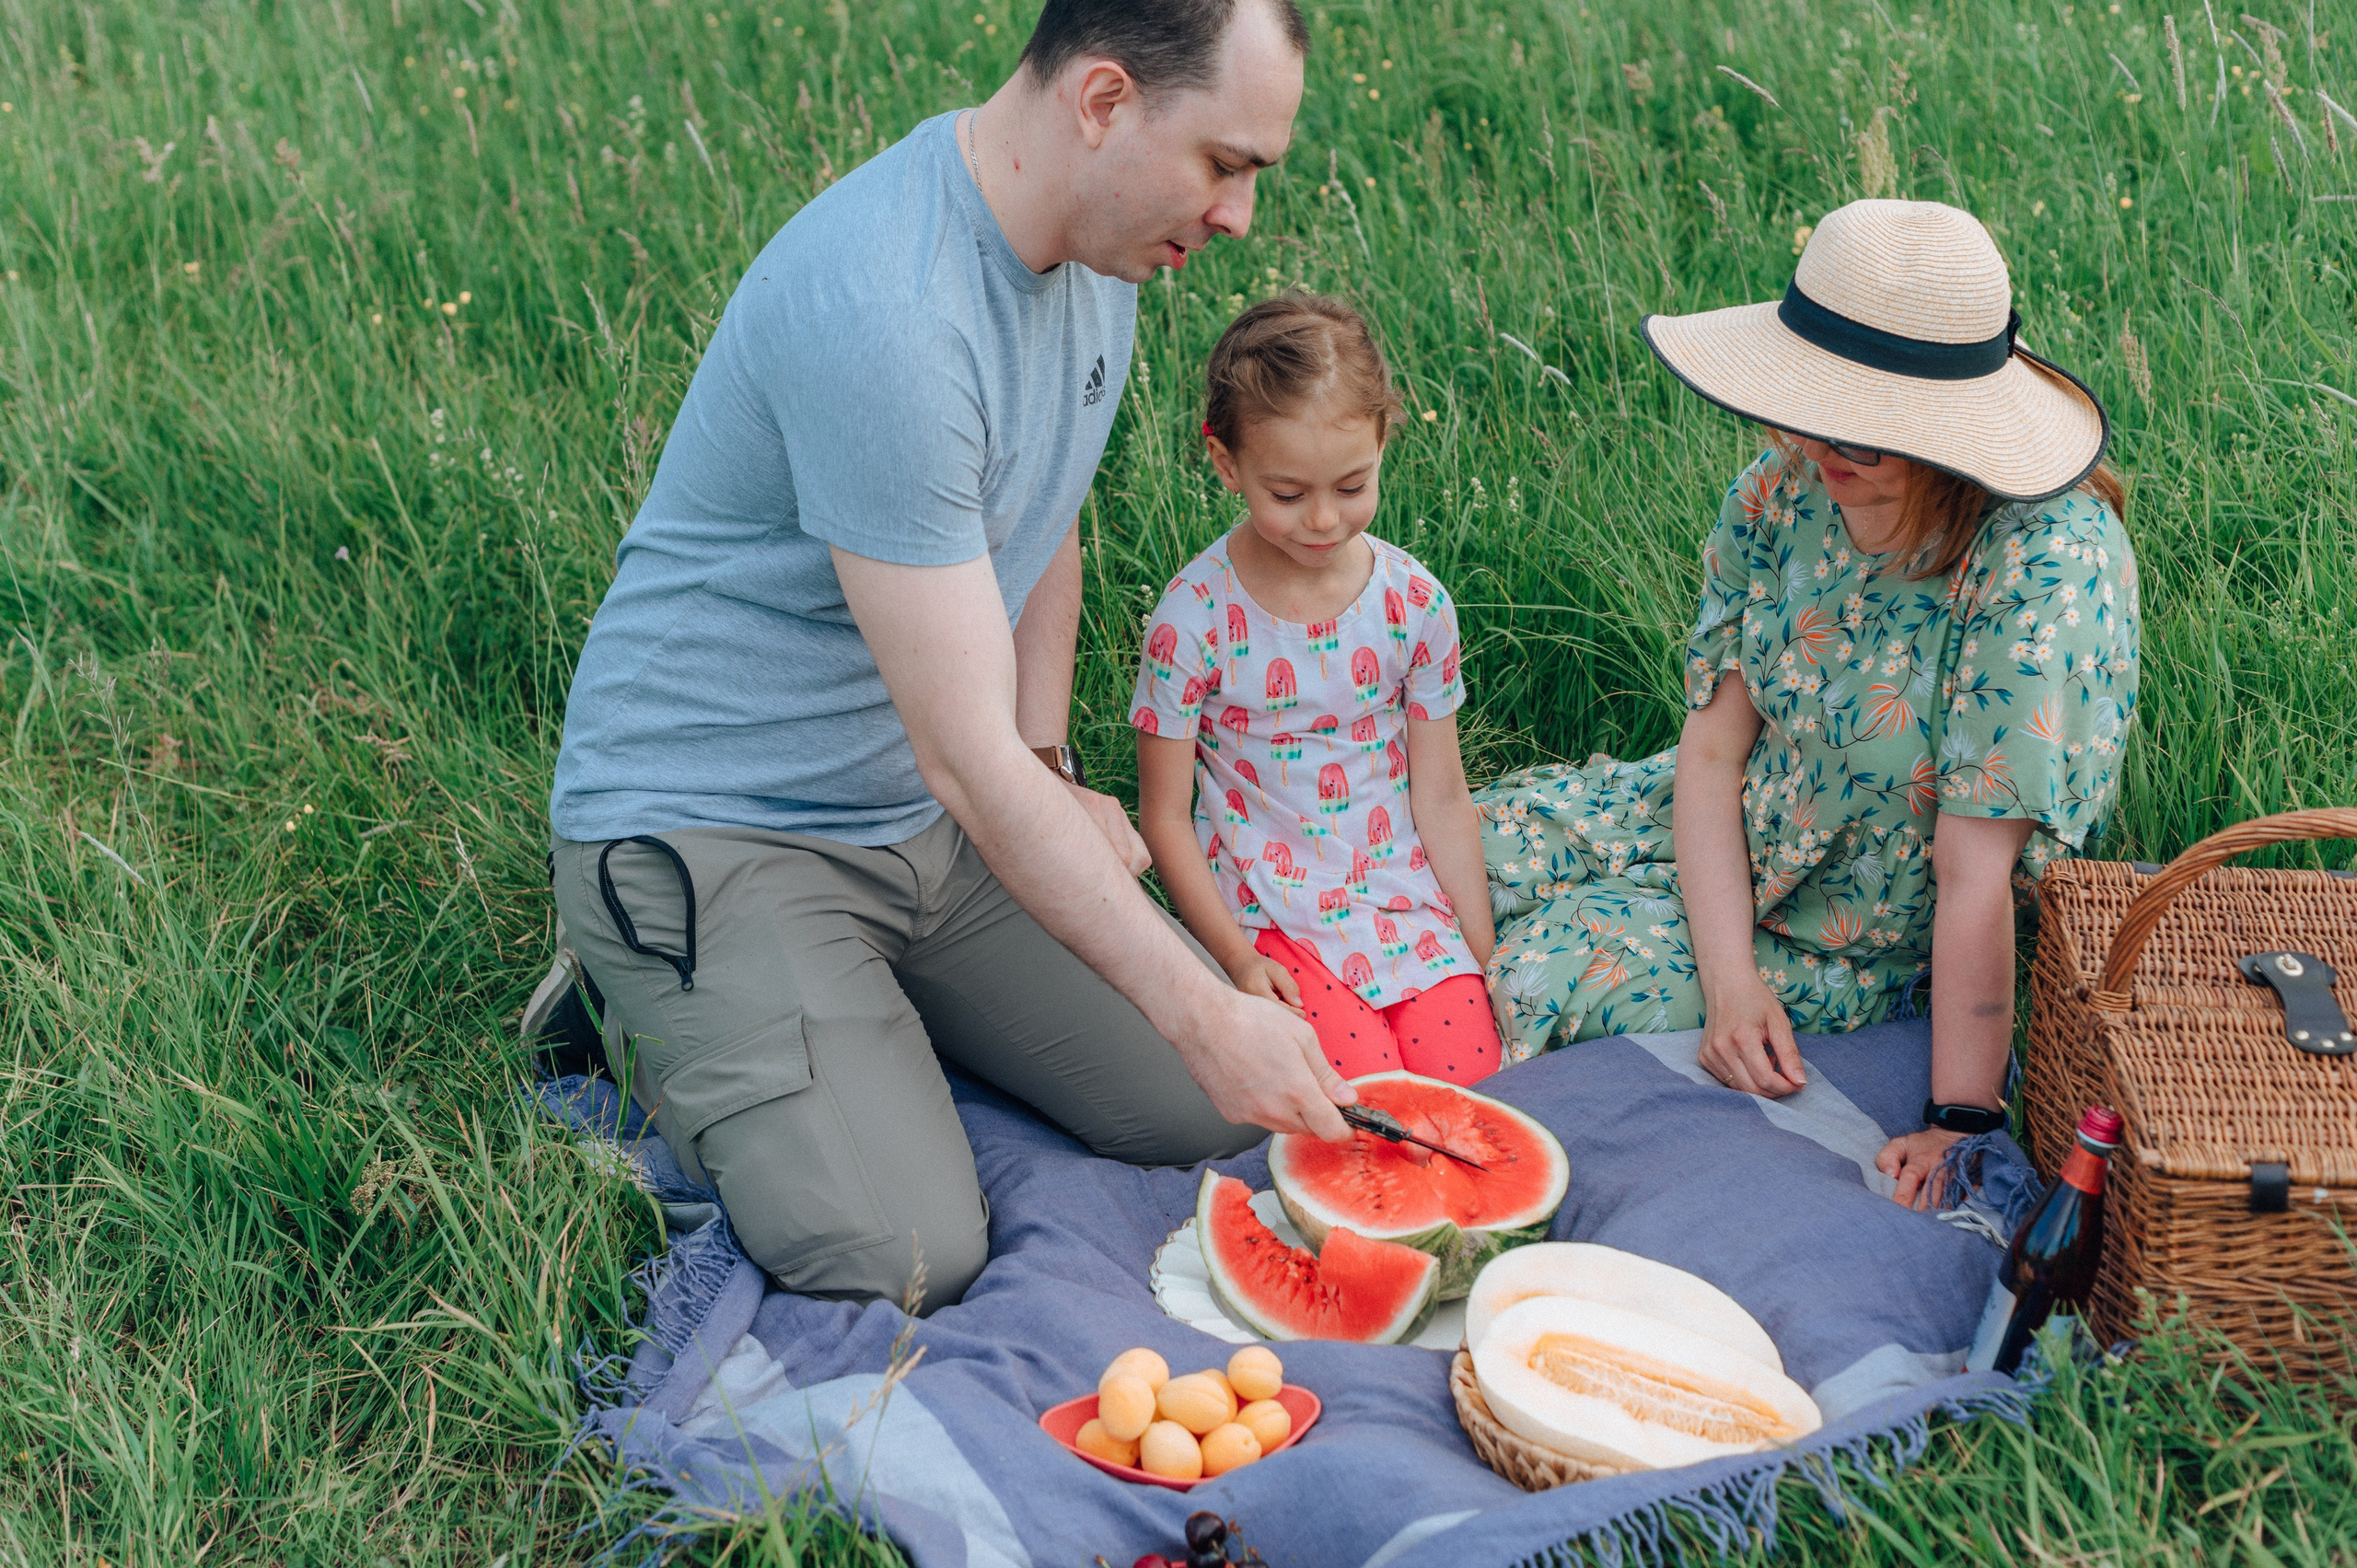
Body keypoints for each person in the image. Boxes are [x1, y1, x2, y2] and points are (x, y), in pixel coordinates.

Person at [534, 0, 1355, 1315]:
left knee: (1200, 1117)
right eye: (1227, 163)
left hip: (924, 810)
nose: (1241, 216)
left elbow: (1047, 507)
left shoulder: (1101, 251)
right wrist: (1206, 1007)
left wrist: (1051, 762)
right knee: (906, 1252)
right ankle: (634, 989)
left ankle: (846, 1024)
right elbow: (963, 759)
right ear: (1102, 102)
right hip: (714, 830)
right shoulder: (892, 316)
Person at [1475, 199, 2138, 1208]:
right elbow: (1709, 755)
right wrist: (1727, 978)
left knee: (1555, 965)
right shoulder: (1781, 491)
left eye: (1863, 428)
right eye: (1808, 405)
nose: (1818, 443)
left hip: (1863, 933)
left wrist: (1959, 1118)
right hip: (1723, 821)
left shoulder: (2043, 566)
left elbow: (1972, 877)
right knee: (1461, 849)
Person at [1132, 296, 1503, 1086]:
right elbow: (1163, 815)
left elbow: (1441, 793)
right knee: (1357, 1100)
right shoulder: (1192, 622)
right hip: (1270, 912)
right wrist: (1233, 958)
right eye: (1289, 494)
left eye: (1352, 484)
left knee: (1470, 1081)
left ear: (1381, 442)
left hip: (1402, 901)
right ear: (1227, 464)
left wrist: (1479, 947)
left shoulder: (1416, 604)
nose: (1324, 520)